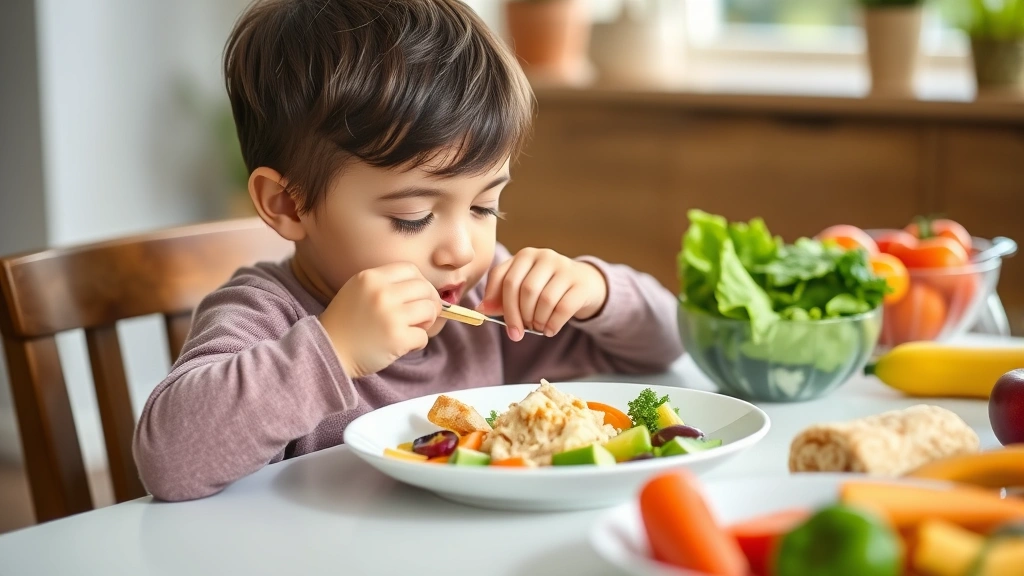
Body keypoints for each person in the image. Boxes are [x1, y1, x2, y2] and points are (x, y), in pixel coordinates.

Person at [133, 0, 683, 502]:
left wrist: (597, 292)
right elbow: (170, 461)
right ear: (288, 205)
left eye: (485, 207)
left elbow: (663, 345)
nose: (461, 250)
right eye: (412, 217)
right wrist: (335, 348)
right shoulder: (265, 315)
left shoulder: (479, 297)